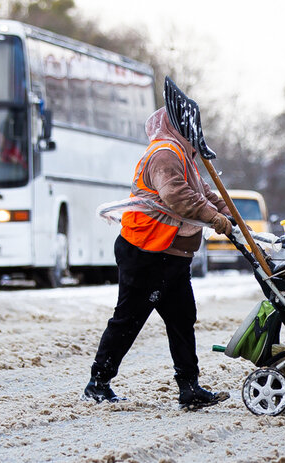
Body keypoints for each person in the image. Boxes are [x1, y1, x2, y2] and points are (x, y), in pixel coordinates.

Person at [83, 77, 234, 410]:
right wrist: (215, 219)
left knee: (182, 319)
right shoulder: (165, 154)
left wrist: (230, 217)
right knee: (129, 319)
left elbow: (204, 193)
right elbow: (177, 196)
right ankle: (98, 383)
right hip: (147, 252)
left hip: (172, 255)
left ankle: (190, 389)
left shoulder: (184, 155)